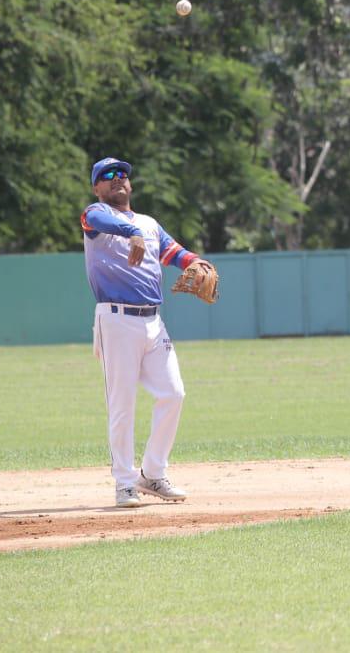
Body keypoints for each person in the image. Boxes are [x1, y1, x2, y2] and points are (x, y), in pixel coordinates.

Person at [80, 156, 214, 508]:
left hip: (153, 321)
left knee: (174, 393)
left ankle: (152, 473)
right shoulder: (96, 217)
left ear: (131, 183)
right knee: (122, 404)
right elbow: (91, 218)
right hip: (116, 318)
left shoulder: (149, 224)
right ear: (97, 187)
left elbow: (173, 251)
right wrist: (131, 233)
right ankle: (124, 483)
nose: (117, 179)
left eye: (122, 174)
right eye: (107, 176)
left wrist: (194, 262)